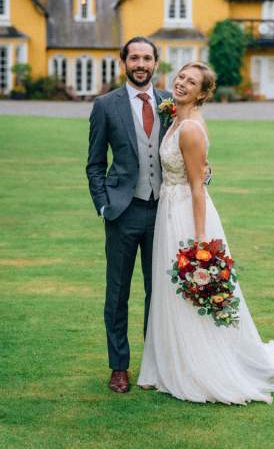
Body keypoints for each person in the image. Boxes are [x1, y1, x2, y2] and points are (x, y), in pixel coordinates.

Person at [138, 61, 274, 404]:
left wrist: (200, 244)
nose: (181, 84)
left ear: (203, 93)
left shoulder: (190, 128)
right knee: (169, 293)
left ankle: (198, 368)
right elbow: (202, 173)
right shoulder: (175, 117)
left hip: (185, 217)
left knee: (187, 293)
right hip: (169, 209)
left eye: (191, 82)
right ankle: (167, 365)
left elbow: (197, 188)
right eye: (180, 77)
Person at [86, 36, 171, 394]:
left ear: (155, 63)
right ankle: (119, 367)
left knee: (161, 294)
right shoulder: (106, 105)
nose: (140, 64)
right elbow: (94, 164)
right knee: (118, 293)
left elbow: (187, 147)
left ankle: (155, 366)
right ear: (124, 63)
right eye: (134, 57)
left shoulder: (171, 102)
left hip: (164, 211)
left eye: (146, 58)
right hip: (123, 212)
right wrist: (105, 205)